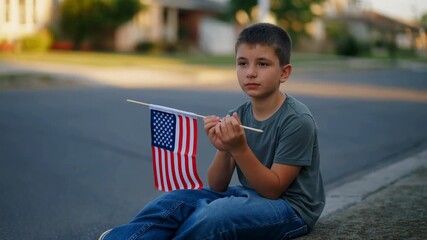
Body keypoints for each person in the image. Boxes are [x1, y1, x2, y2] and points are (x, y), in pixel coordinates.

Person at [100, 22, 325, 240]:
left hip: (291, 210)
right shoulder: (238, 114)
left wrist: (239, 148)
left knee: (213, 217)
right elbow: (217, 185)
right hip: (250, 195)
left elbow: (273, 190)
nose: (250, 73)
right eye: (243, 63)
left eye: (263, 64)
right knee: (174, 201)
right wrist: (225, 149)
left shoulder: (297, 120)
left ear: (284, 73)